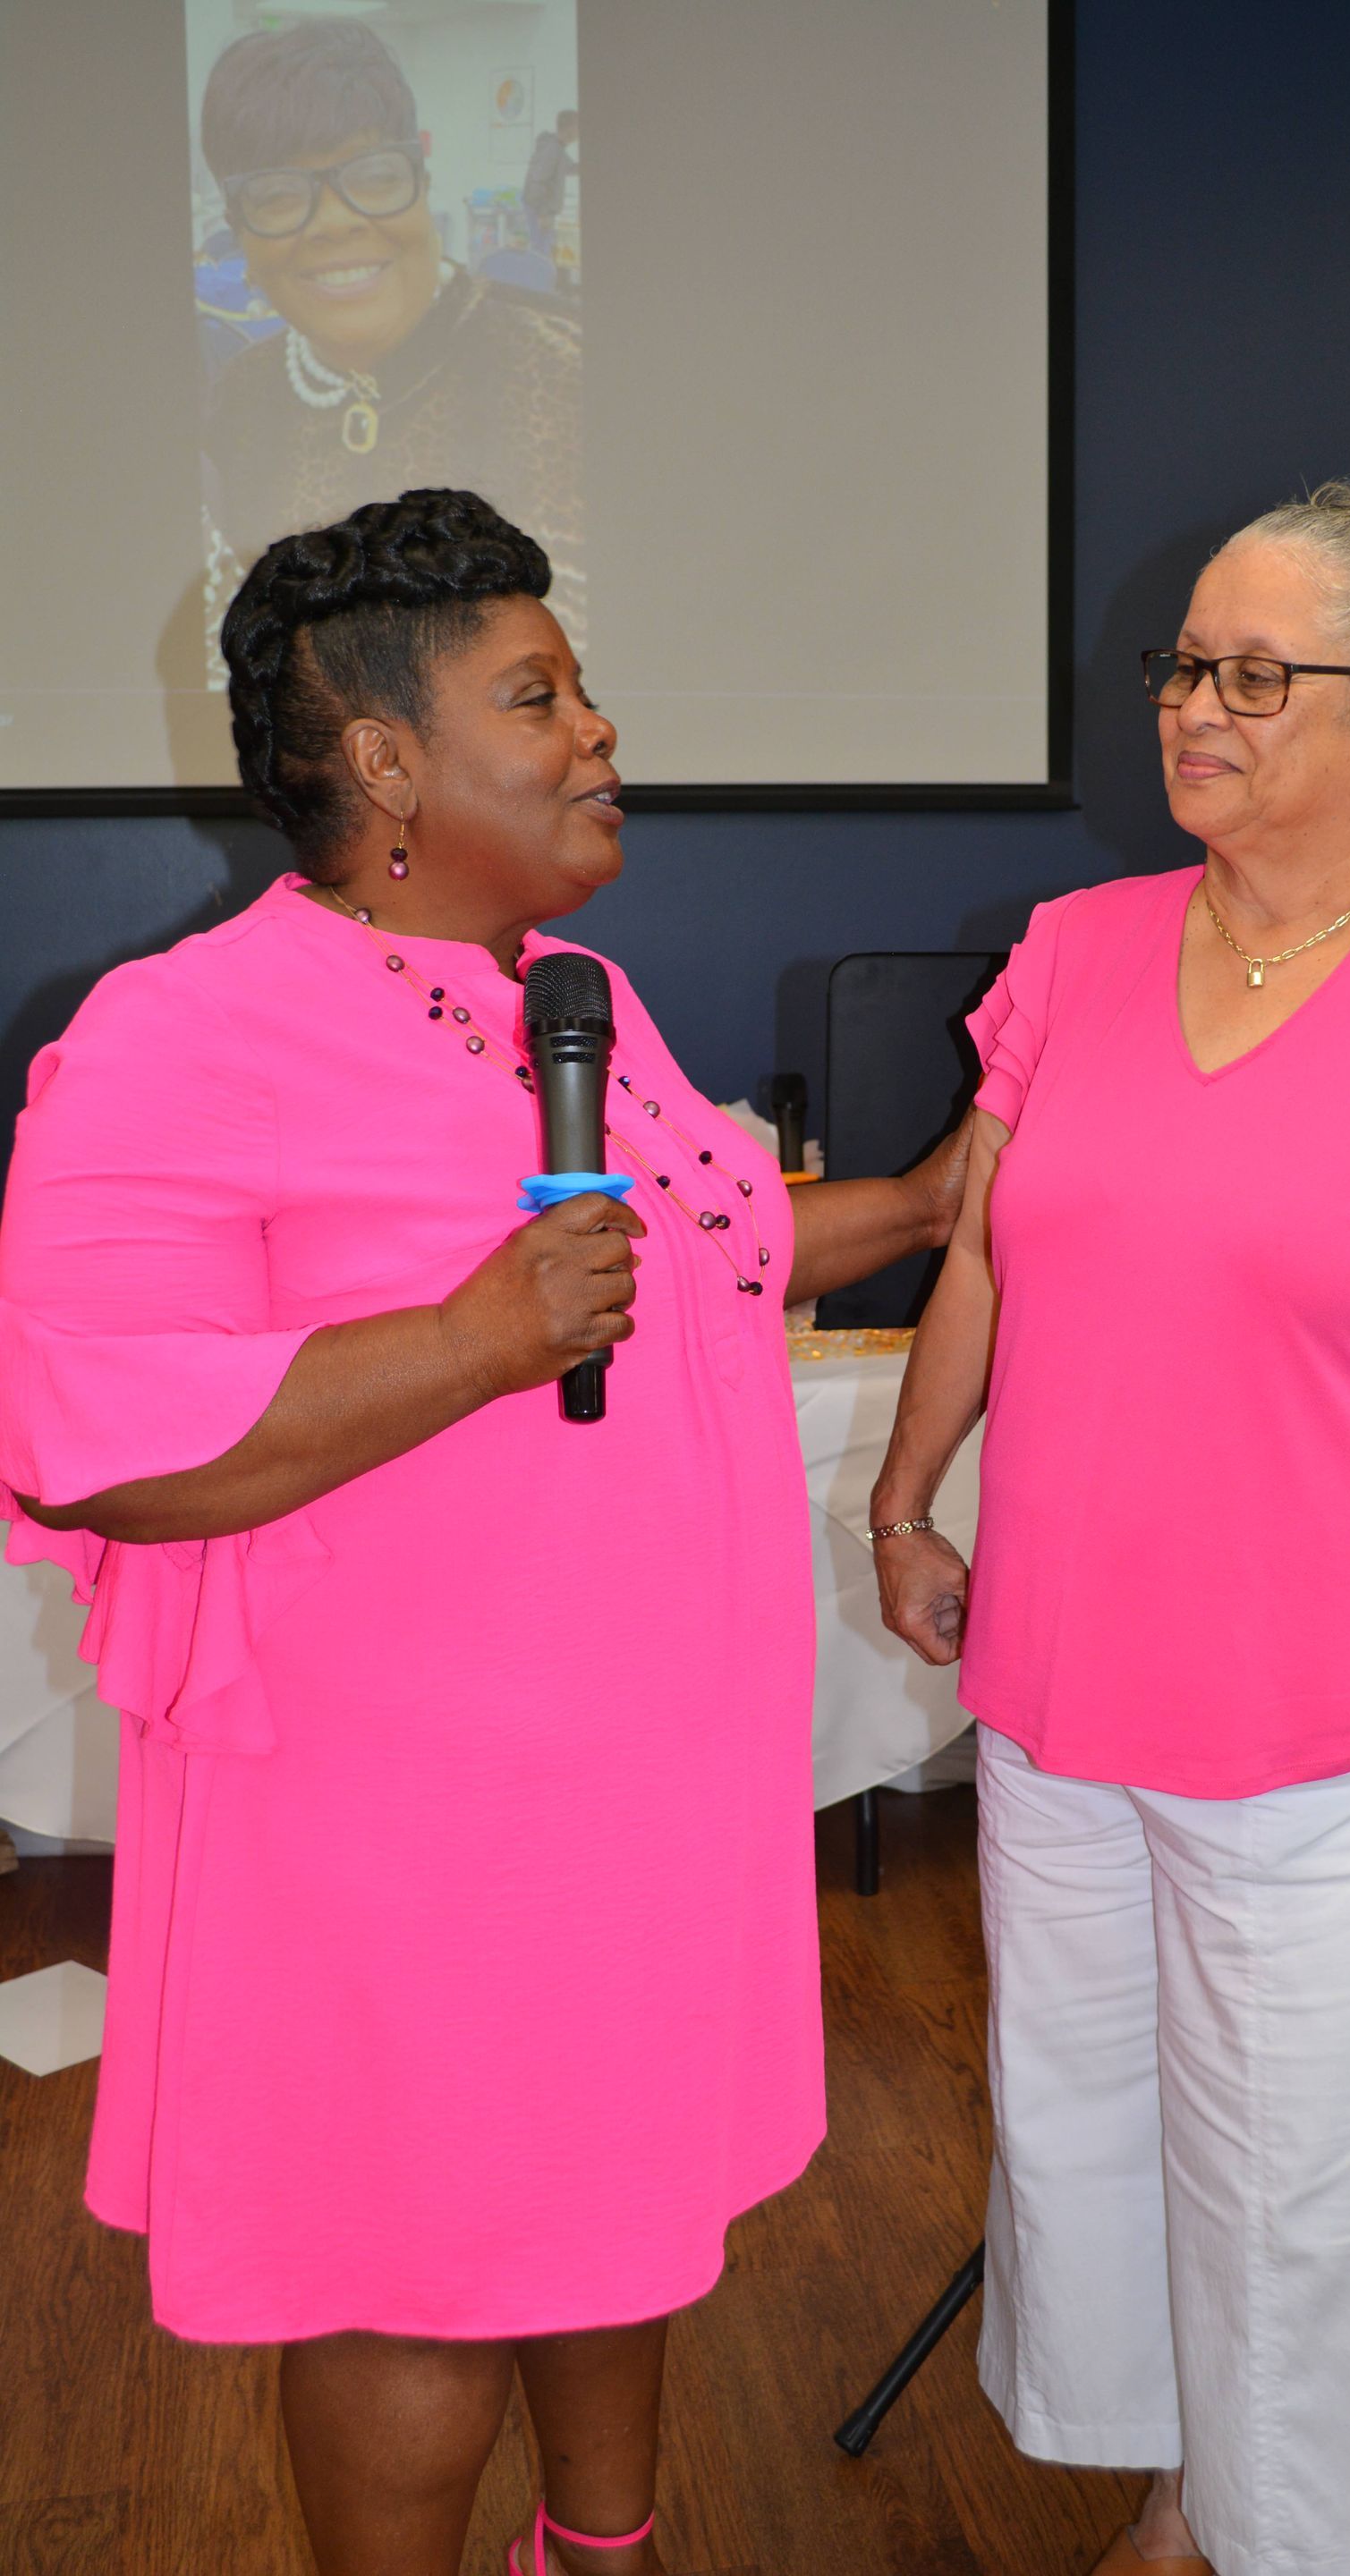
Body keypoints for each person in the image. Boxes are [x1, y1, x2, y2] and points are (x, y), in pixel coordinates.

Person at [0, 487, 969, 2576]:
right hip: (394, 1822)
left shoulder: (578, 1001)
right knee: (414, 2269)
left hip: (636, 1785)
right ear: (384, 759)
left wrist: (933, 1196)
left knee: (614, 2205)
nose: (598, 729)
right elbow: (89, 1439)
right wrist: (466, 1341)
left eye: (581, 686)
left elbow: (707, 1243)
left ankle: (598, 2555)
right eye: (537, 695)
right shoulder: (178, 1034)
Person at [869, 462, 1350, 2576]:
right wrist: (906, 1497)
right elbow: (983, 1249)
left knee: (1321, 2190)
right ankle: (1193, 2491)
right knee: (1101, 2133)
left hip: (1340, 1727)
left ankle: (1331, 2539)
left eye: (1251, 674)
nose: (1191, 708)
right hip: (1059, 1691)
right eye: (1182, 665)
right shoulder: (1074, 952)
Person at [198, 22, 582, 663]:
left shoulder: (568, 372)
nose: (335, 221)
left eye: (374, 176)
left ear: (423, 184)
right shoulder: (241, 400)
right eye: (278, 195)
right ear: (238, 233)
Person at [524, 110, 579, 267]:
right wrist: (543, 214)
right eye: (579, 127)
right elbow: (539, 181)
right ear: (570, 128)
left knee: (544, 249)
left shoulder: (557, 148)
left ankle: (540, 278)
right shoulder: (553, 149)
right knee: (541, 252)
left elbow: (569, 168)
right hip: (539, 207)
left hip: (541, 206)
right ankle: (537, 280)